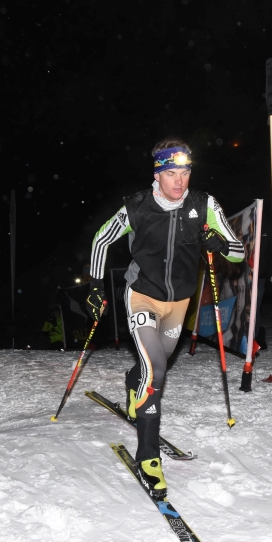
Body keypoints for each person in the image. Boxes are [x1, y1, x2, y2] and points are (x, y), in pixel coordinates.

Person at [87, 138, 244, 499]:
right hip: (142, 295)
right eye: (171, 173)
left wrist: (220, 245)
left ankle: (133, 382)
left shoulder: (204, 205)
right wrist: (96, 286)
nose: (180, 182)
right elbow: (101, 240)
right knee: (156, 369)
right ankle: (148, 458)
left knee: (156, 365)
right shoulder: (137, 208)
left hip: (179, 303)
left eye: (185, 172)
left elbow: (238, 252)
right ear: (157, 175)